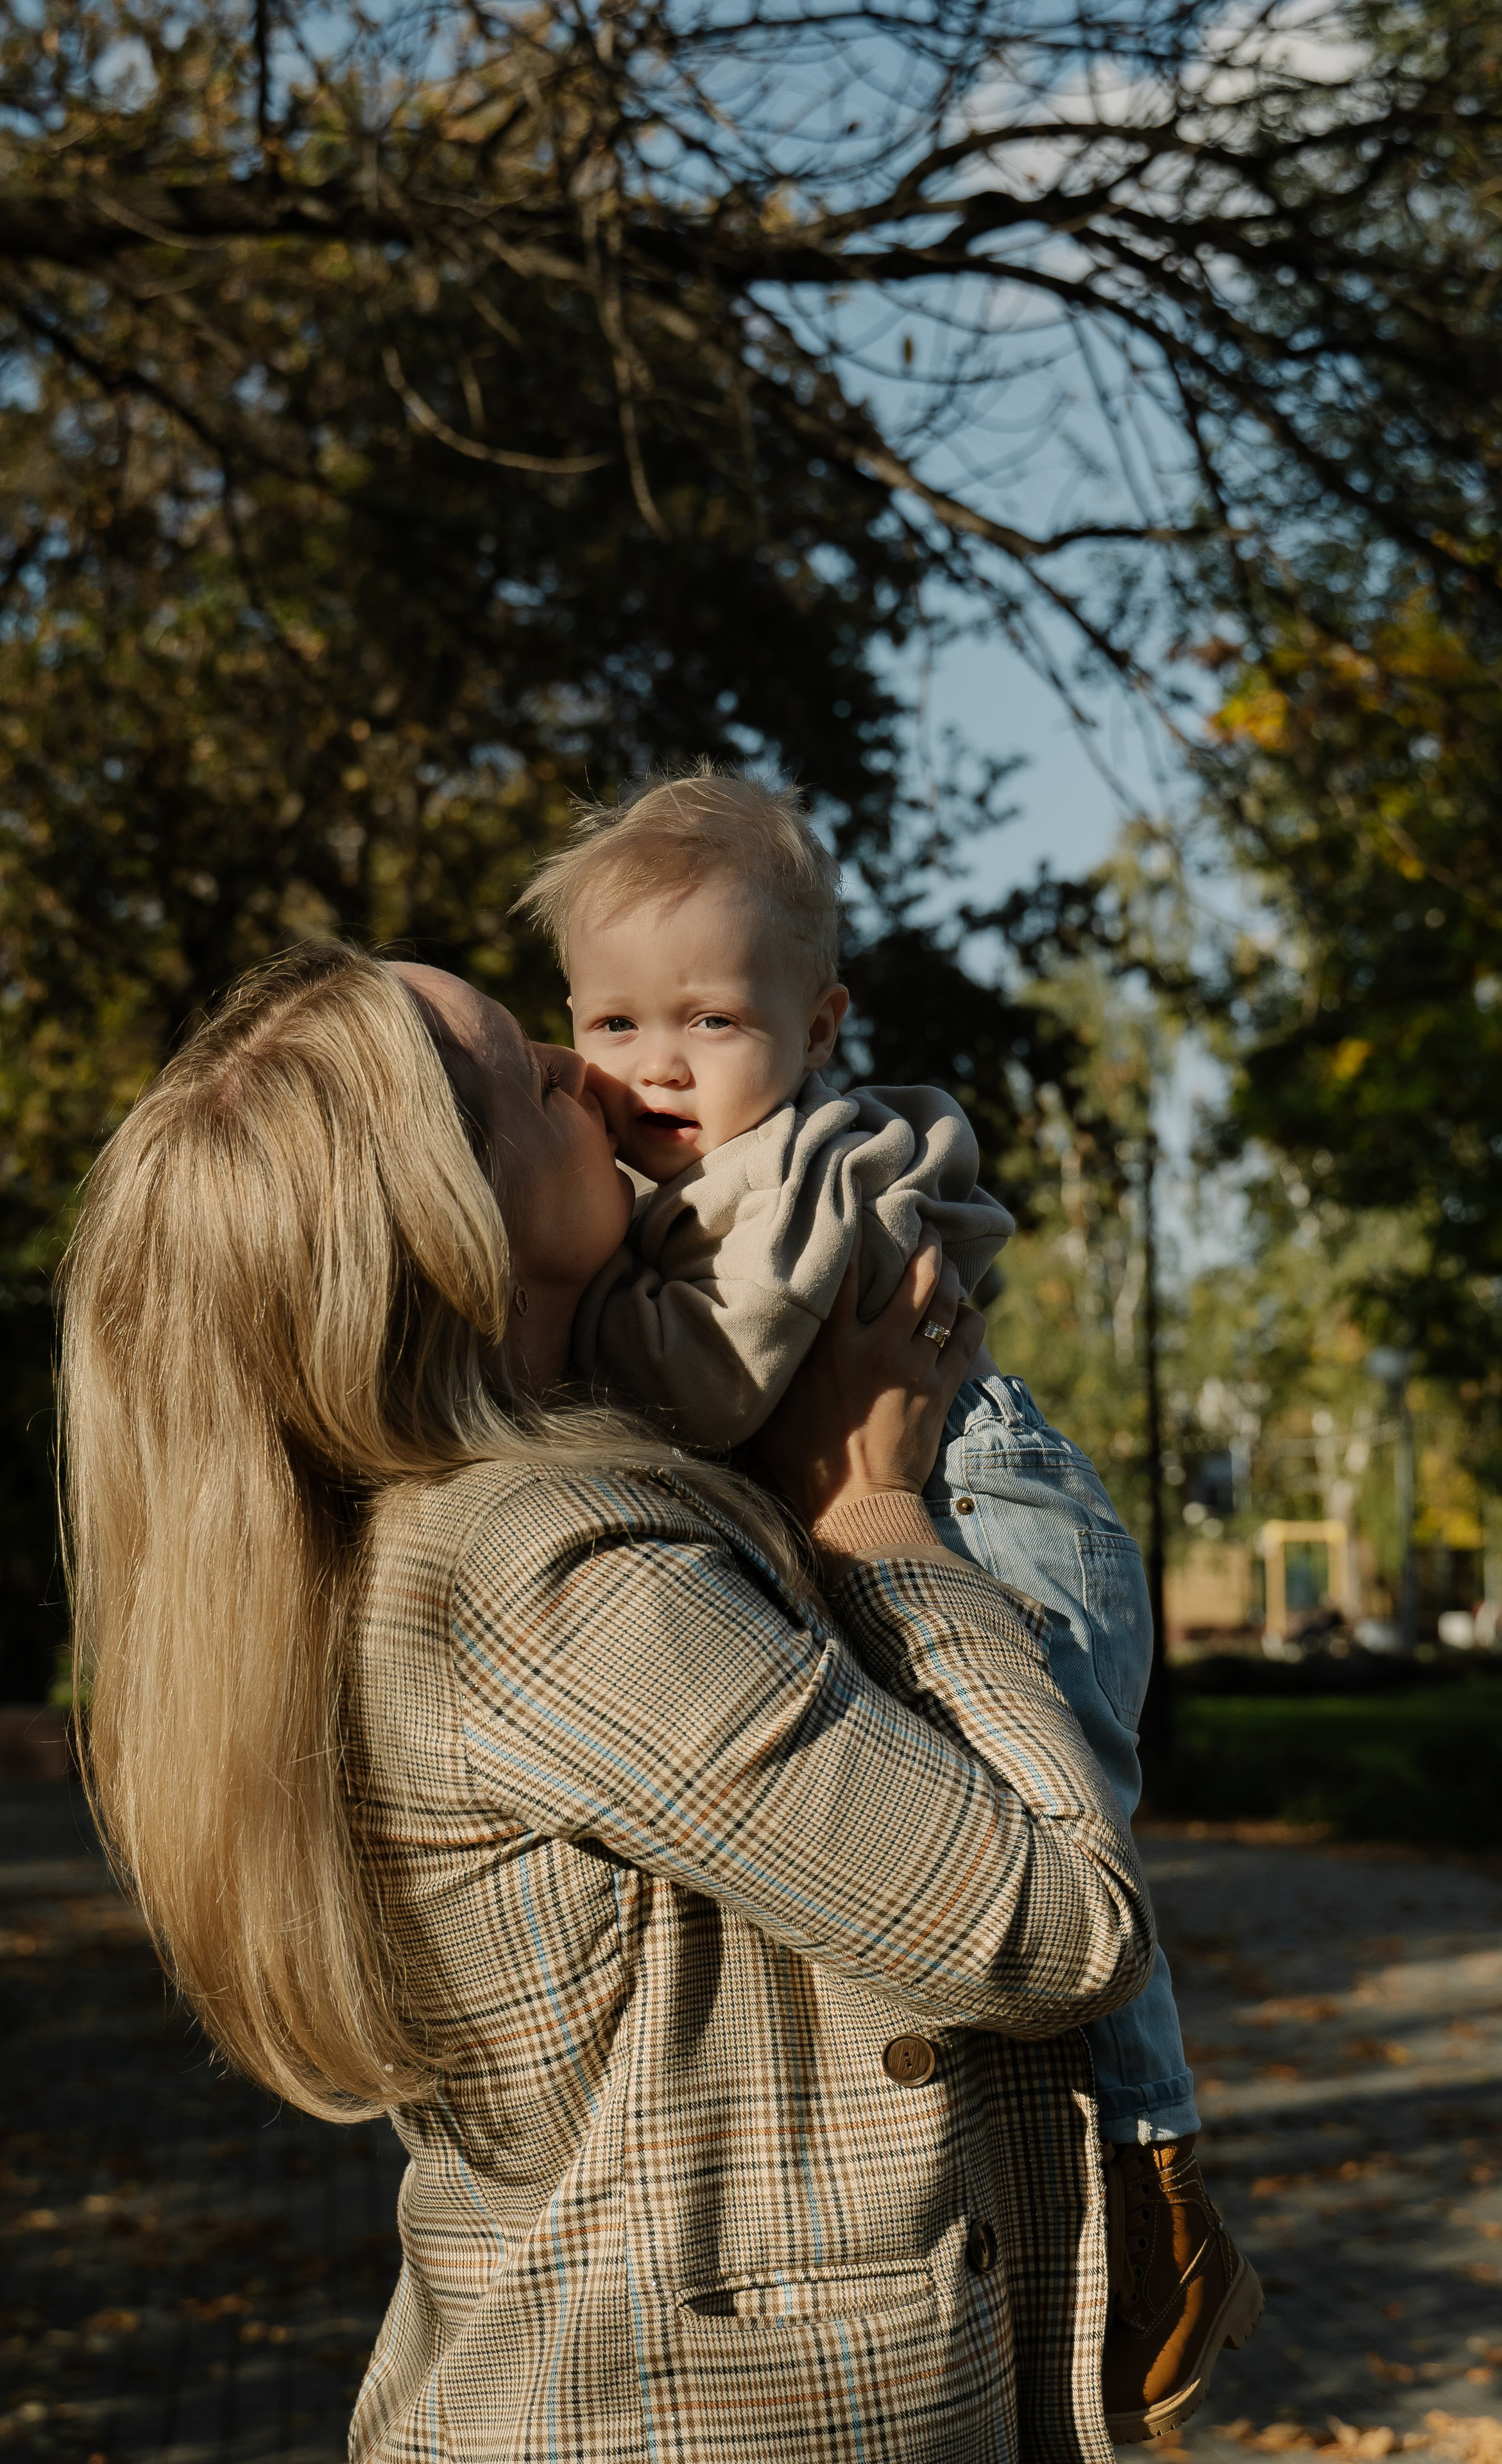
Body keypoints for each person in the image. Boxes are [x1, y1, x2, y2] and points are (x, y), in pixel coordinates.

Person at [62, 940, 1156, 2463]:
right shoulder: (540, 1576)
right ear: (445, 1216)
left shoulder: (428, 1534)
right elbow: (1055, 1931)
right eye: (526, 1073)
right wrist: (876, 1524)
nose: (590, 1069)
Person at [516, 768, 1263, 2442]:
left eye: (710, 1017)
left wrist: (571, 1371)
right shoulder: (690, 1174)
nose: (654, 1063)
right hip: (934, 1505)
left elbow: (712, 1388)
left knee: (1074, 1852)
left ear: (818, 1022)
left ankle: (1156, 2162)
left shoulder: (798, 1172)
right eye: (611, 1021)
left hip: (1000, 1523)